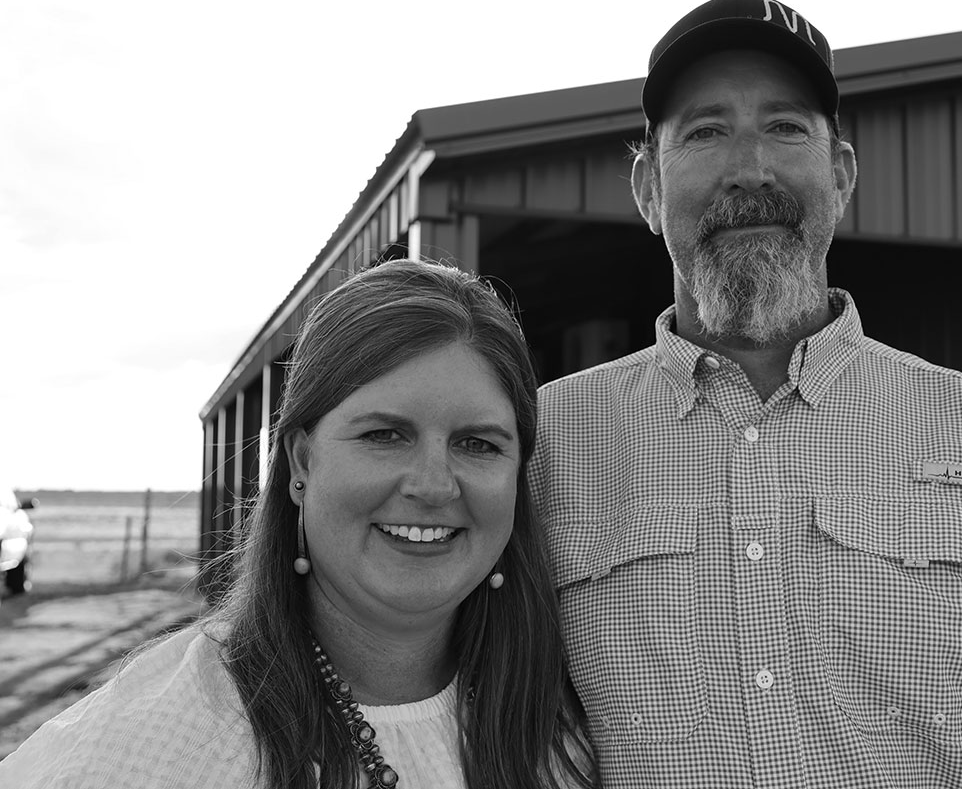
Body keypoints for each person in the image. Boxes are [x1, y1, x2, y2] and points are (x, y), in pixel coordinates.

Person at [529, 0, 962, 788]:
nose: (750, 168)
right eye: (705, 131)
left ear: (840, 176)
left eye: (785, 126)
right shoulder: (543, 445)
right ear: (646, 190)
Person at [1, 259, 596, 789]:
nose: (434, 485)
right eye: (384, 435)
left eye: (478, 444)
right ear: (302, 460)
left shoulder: (566, 717)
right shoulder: (156, 747)